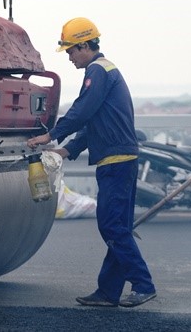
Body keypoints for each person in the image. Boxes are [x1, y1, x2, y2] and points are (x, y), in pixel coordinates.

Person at [27, 17, 156, 308]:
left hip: (116, 161)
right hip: (120, 158)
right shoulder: (107, 71)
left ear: (85, 45)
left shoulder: (97, 71)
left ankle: (143, 283)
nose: (70, 57)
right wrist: (67, 150)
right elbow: (93, 123)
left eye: (71, 51)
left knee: (111, 226)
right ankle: (108, 292)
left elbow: (82, 112)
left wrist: (51, 135)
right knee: (117, 226)